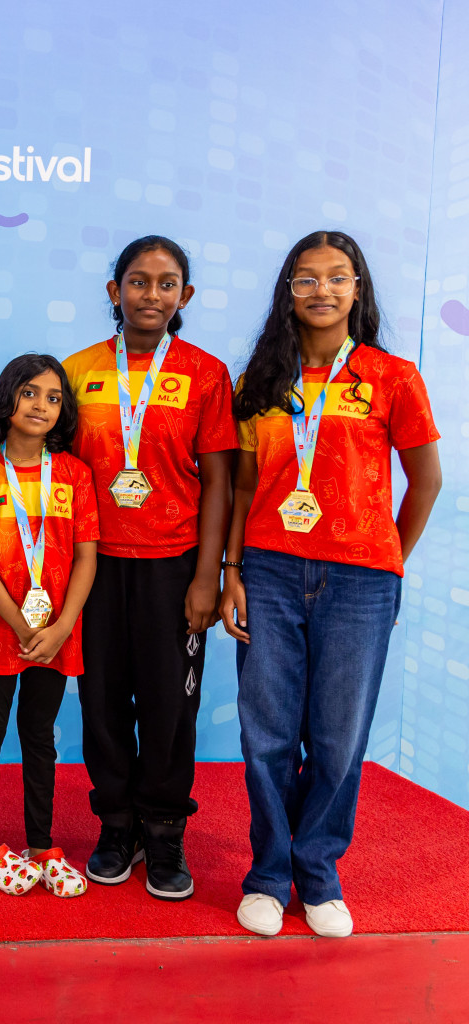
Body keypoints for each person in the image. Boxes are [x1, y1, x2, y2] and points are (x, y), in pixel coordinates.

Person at [220, 231, 440, 939]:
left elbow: (426, 479)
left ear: (358, 289)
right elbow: (244, 487)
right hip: (270, 571)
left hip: (361, 581)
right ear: (288, 291)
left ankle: (318, 873)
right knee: (268, 735)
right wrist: (231, 573)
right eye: (306, 279)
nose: (321, 290)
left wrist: (385, 562)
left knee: (339, 738)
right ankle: (268, 875)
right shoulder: (260, 382)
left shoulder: (392, 375)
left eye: (336, 278)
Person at [62, 236, 236, 900]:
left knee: (169, 708)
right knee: (102, 704)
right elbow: (61, 477)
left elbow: (219, 482)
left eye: (167, 284)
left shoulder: (206, 373)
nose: (151, 295)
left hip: (173, 569)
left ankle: (164, 833)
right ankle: (116, 826)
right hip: (95, 568)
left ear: (184, 297)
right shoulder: (77, 372)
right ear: (114, 291)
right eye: (138, 281)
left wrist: (207, 576)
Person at [0, 354, 98, 898]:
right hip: (2, 632)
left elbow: (87, 556)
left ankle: (41, 844)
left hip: (56, 635)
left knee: (40, 735)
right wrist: (20, 623)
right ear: (7, 399)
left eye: (54, 397)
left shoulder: (74, 474)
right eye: (30, 393)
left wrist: (62, 626)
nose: (41, 405)